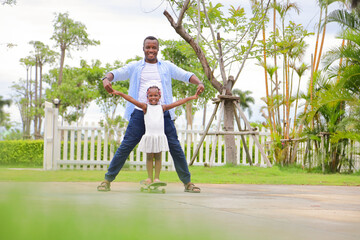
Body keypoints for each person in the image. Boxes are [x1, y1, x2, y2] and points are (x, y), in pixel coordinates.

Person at [97, 36, 204, 193]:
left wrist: (199, 82)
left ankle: (187, 183)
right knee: (125, 147)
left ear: (158, 49)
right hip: (140, 114)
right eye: (148, 47)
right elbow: (117, 73)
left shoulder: (166, 66)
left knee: (175, 147)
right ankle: (107, 181)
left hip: (162, 114)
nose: (151, 50)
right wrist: (106, 78)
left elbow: (185, 75)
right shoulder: (135, 66)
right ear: (143, 49)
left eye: (154, 47)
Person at [110, 85, 199, 185]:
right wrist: (120, 93)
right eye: (150, 96)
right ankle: (149, 178)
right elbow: (131, 99)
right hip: (149, 136)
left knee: (158, 157)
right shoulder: (145, 107)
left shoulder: (163, 108)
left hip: (159, 136)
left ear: (159, 96)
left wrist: (192, 97)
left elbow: (177, 102)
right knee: (149, 157)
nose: (153, 98)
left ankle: (156, 178)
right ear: (147, 97)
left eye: (156, 95)